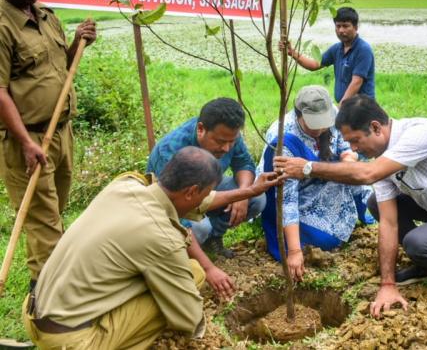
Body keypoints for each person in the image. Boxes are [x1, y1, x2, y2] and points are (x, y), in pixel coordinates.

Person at [273, 95, 427, 318]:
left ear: (376, 127)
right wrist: (387, 284)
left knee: (417, 243)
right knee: (376, 203)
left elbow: (367, 174)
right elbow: (388, 221)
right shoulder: (385, 160)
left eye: (355, 140)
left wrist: (308, 168)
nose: (353, 149)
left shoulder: (420, 133)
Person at [23, 146, 281, 349]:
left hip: (39, 312)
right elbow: (188, 318)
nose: (206, 198)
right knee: (191, 276)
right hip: (71, 340)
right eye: (205, 192)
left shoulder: (126, 185)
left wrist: (250, 191)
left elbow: (201, 201)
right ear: (191, 191)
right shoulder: (161, 236)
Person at [0, 0, 96, 288]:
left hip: (60, 133)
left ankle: (47, 280)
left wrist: (78, 43)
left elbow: (62, 70)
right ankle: (47, 297)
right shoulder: (2, 26)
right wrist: (26, 143)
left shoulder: (47, 17)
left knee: (54, 211)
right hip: (26, 138)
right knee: (44, 221)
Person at [147, 98, 265, 298]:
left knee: (257, 199)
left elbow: (243, 163)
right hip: (171, 207)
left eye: (232, 141)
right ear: (201, 129)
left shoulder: (228, 135)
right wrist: (209, 269)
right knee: (200, 228)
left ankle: (213, 238)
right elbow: (175, 217)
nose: (227, 148)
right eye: (220, 142)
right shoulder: (172, 150)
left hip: (209, 189)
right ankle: (184, 256)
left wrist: (243, 194)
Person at [256, 85, 374, 281]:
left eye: (323, 124)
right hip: (297, 190)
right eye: (313, 124)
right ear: (299, 115)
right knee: (324, 240)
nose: (319, 130)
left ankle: (358, 213)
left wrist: (348, 161)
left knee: (357, 178)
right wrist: (294, 251)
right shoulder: (284, 139)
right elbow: (288, 199)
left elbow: (346, 148)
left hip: (324, 176)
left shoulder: (335, 114)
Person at [284, 7, 375, 103]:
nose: (340, 30)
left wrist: (341, 107)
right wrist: (292, 52)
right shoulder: (337, 49)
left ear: (356, 27)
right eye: (338, 26)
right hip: (347, 107)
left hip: (362, 106)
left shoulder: (363, 49)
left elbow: (356, 82)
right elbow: (314, 65)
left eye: (345, 26)